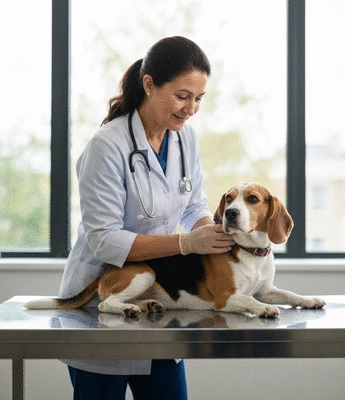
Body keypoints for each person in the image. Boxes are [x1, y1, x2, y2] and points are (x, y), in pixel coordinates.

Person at [58, 36, 235, 400]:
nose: (191, 109)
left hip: (156, 302)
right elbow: (104, 240)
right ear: (149, 84)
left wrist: (212, 235)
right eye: (183, 96)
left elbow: (192, 204)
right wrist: (186, 243)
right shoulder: (107, 146)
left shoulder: (185, 140)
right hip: (101, 304)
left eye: (199, 98)